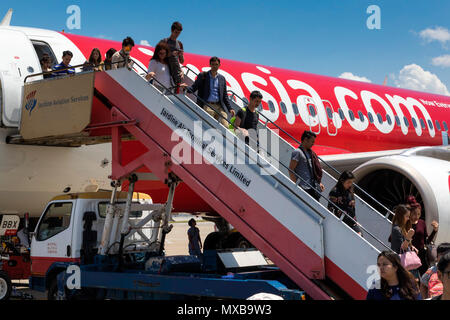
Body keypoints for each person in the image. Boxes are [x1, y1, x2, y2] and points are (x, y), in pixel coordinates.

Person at [187, 56, 235, 127]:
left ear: (219, 65)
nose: (214, 66)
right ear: (210, 65)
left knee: (225, 125)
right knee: (209, 126)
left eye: (216, 64)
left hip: (219, 106)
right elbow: (194, 87)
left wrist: (230, 108)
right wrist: (186, 88)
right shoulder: (203, 75)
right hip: (208, 105)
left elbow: (224, 95)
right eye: (213, 64)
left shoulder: (222, 78)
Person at [406, 195, 439, 275]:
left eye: (418, 214)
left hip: (421, 255)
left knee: (424, 277)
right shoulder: (405, 224)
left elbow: (426, 241)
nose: (416, 216)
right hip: (409, 255)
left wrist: (434, 231)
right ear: (409, 213)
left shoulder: (422, 222)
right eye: (414, 214)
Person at [288, 130, 324, 201]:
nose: (313, 144)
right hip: (303, 187)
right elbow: (291, 169)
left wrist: (318, 182)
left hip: (312, 187)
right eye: (312, 141)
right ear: (305, 140)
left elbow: (311, 169)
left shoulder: (310, 153)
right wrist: (297, 185)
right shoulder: (297, 152)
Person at [328, 171, 361, 235]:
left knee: (360, 235)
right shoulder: (335, 192)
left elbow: (352, 208)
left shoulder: (350, 191)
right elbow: (330, 208)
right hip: (341, 222)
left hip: (352, 221)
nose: (350, 184)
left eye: (351, 182)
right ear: (342, 181)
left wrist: (355, 220)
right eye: (348, 182)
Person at [159, 21, 184, 87]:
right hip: (165, 72)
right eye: (176, 32)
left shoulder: (180, 44)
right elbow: (158, 56)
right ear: (171, 30)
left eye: (179, 33)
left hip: (176, 75)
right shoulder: (164, 41)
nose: (177, 35)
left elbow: (182, 61)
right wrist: (171, 54)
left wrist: (181, 55)